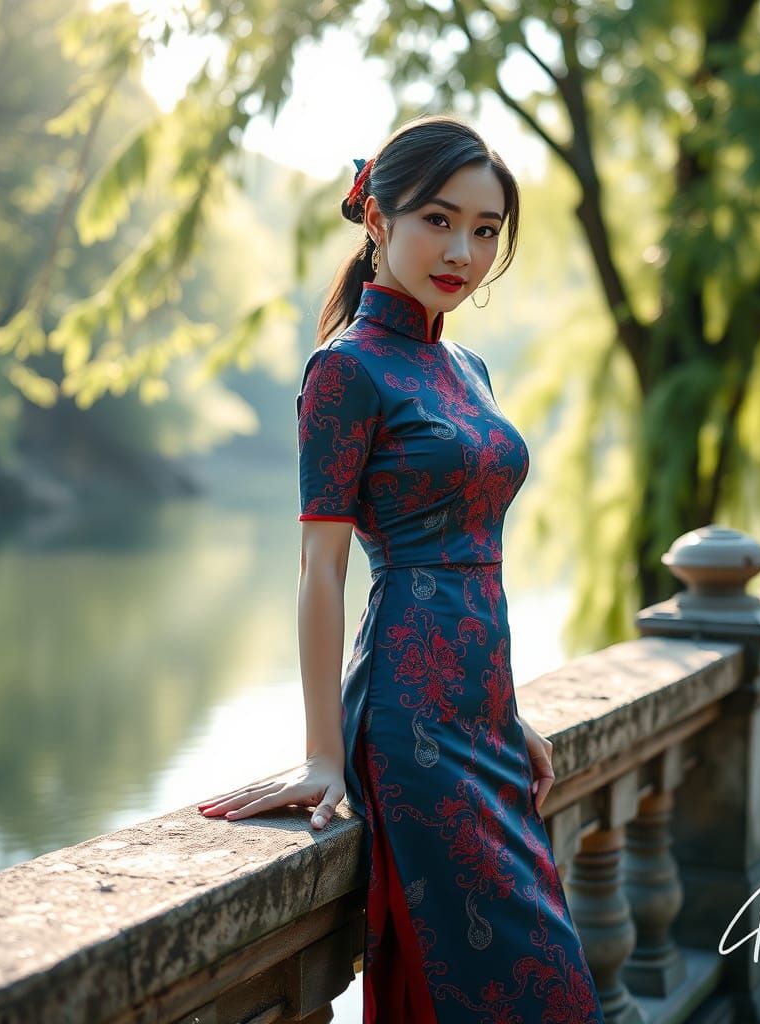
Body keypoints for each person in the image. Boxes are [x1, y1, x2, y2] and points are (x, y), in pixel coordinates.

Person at [197, 113, 605, 1022]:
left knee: (527, 983)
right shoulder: (345, 372)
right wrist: (320, 751)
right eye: (438, 219)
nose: (463, 249)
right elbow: (319, 571)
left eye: (486, 229)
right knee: (523, 990)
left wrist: (507, 711)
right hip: (411, 720)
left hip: (484, 718)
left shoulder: (470, 366)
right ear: (377, 217)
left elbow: (476, 557)